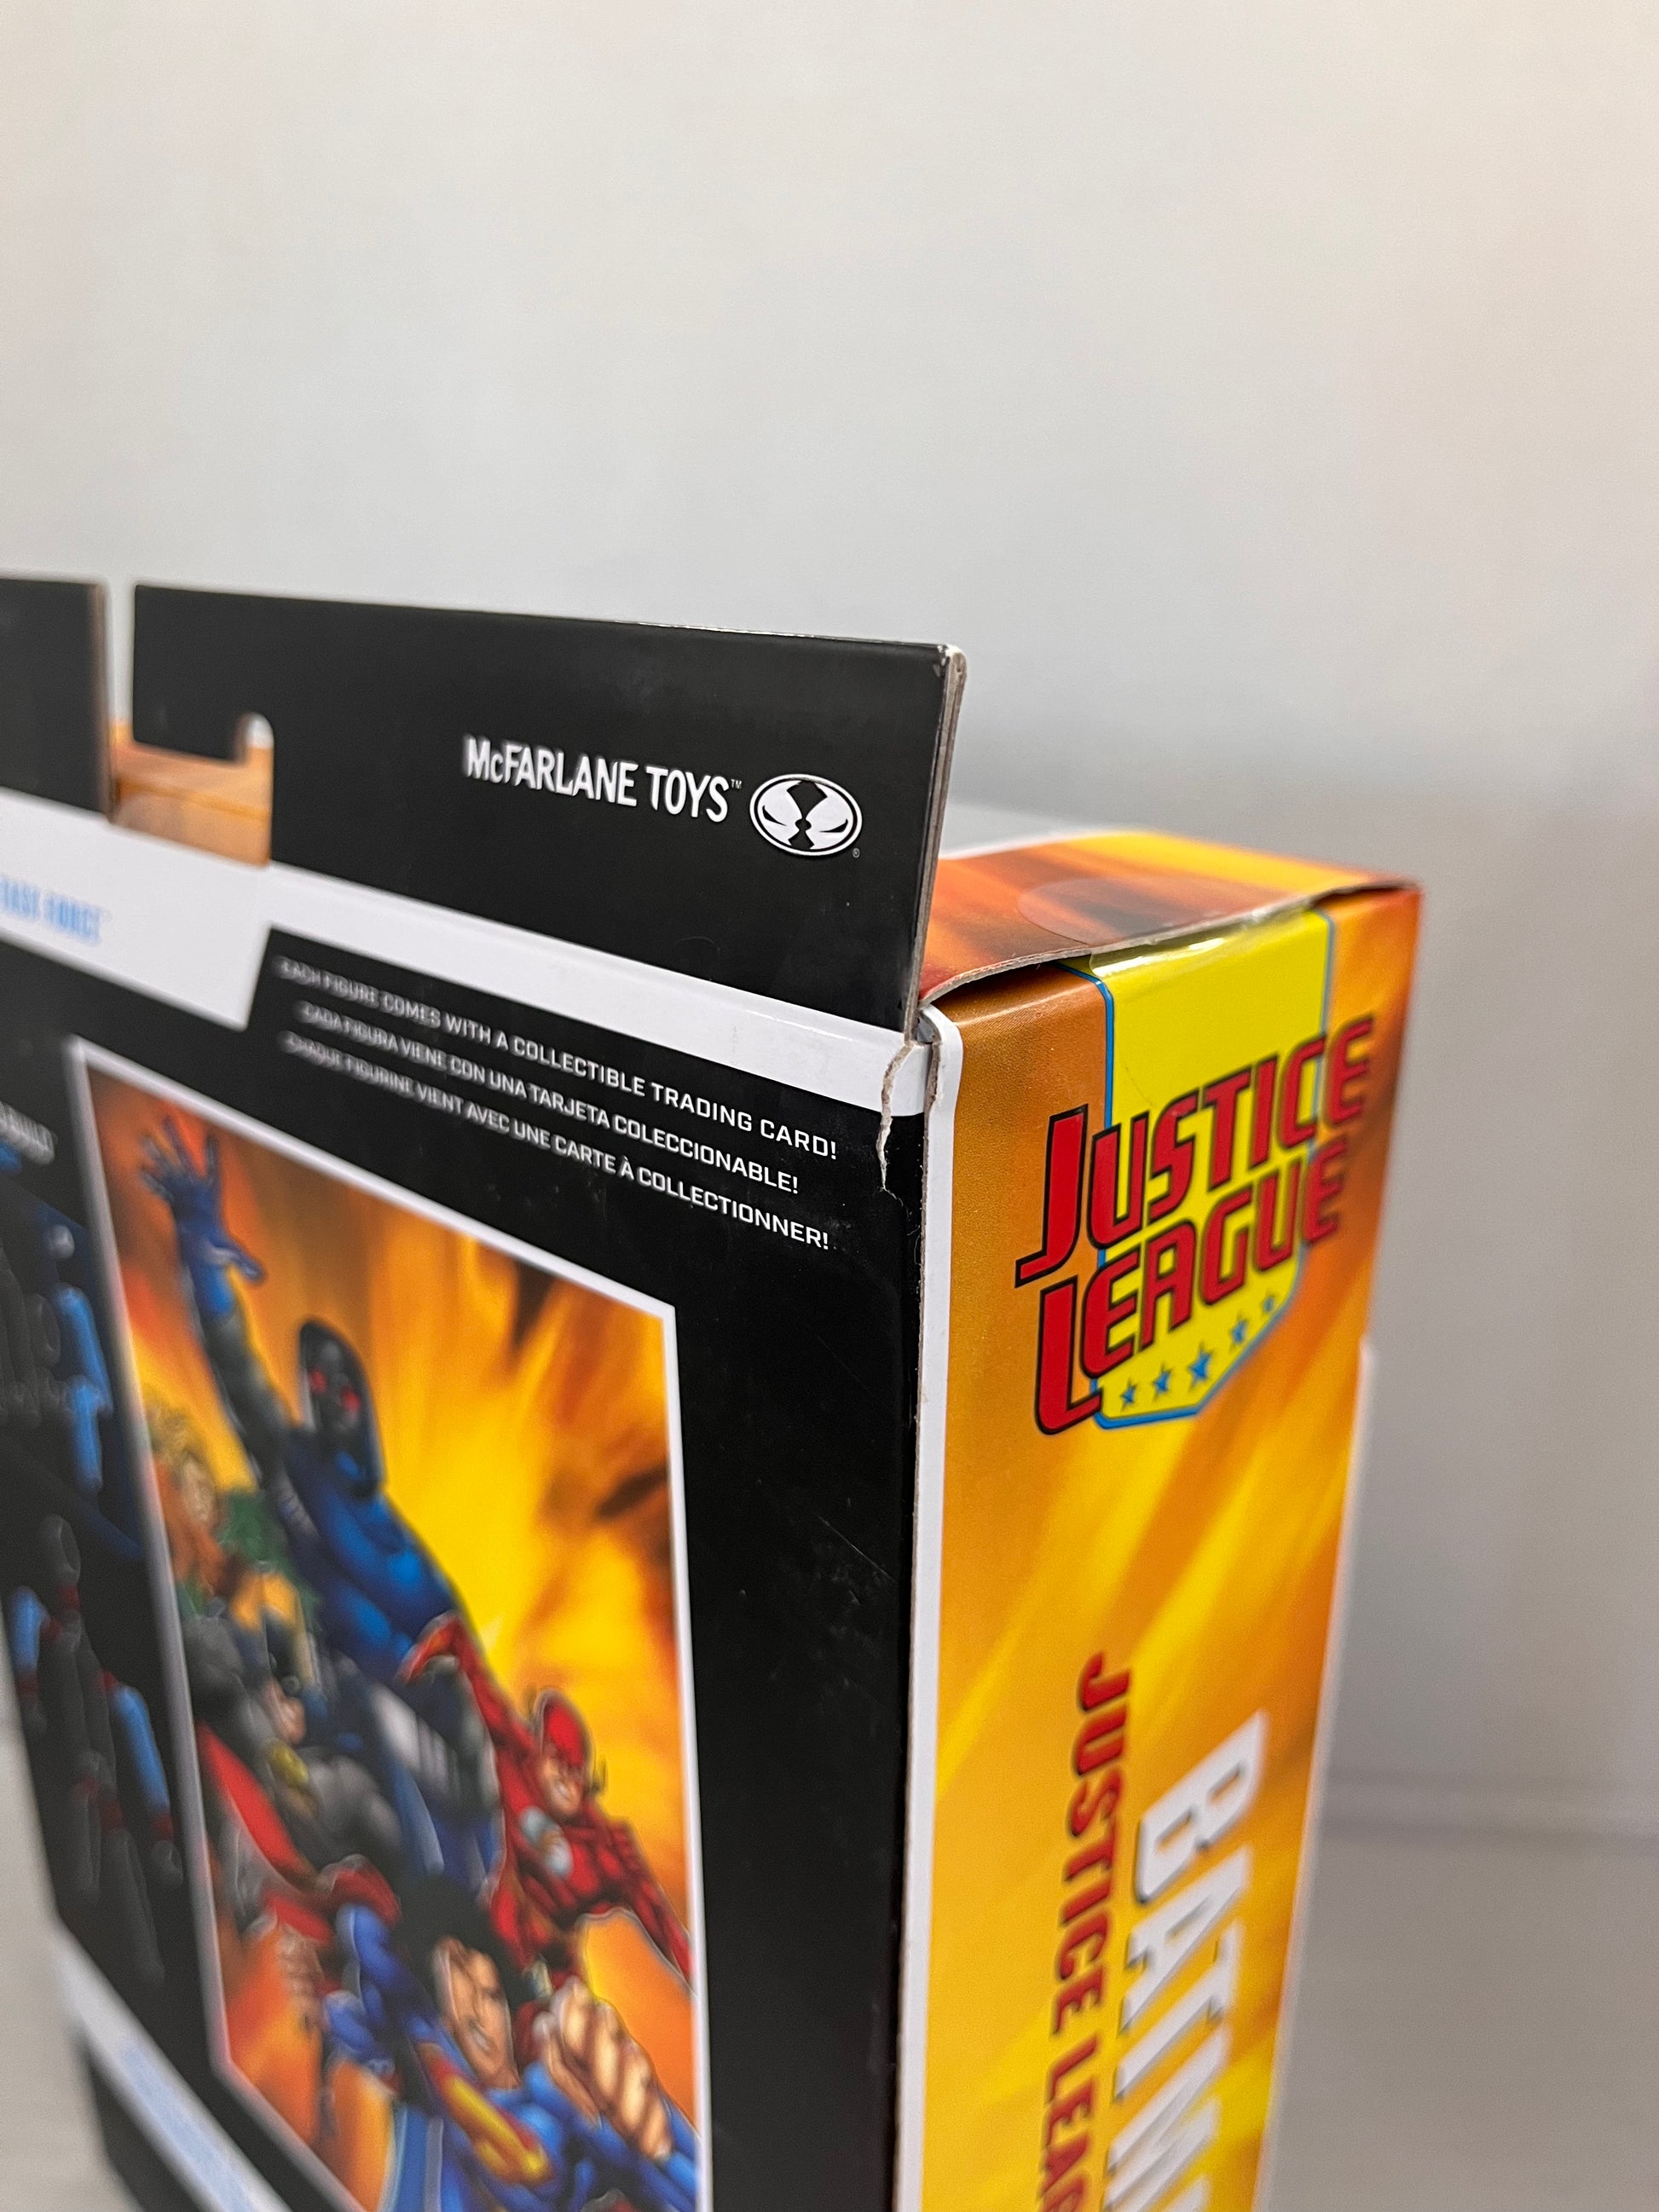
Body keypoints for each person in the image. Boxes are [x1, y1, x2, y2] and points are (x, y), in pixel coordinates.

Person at [140, 1120, 493, 1884]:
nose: (335, 1401)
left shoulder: (414, 1565)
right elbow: (238, 1376)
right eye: (319, 1385)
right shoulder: (295, 1473)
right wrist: (201, 1261)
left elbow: (475, 1728)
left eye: (345, 1387)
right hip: (348, 1763)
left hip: (443, 1791)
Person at [325, 1878, 697, 2212]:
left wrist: (655, 2147)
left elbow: (625, 2162)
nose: (481, 2008)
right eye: (458, 1969)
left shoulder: (551, 2095)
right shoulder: (428, 2043)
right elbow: (360, 1930)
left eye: (492, 1997)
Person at [402, 1614, 691, 1993]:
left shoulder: (608, 1852)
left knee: (574, 2014)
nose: (568, 1783)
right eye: (559, 1763)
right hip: (507, 1914)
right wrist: (425, 1655)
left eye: (576, 1773)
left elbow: (665, 1927)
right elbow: (463, 1648)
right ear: (540, 1753)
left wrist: (700, 1979)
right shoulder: (515, 1752)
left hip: (558, 1950)